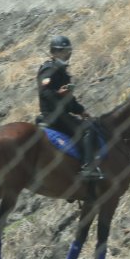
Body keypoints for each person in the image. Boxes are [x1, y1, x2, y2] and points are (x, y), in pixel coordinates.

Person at [37, 34, 102, 180]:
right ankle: (88, 167)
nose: (67, 54)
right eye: (64, 51)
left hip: (62, 115)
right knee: (88, 130)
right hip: (54, 116)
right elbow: (45, 93)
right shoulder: (48, 69)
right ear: (55, 52)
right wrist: (58, 93)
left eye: (68, 51)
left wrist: (81, 110)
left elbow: (69, 99)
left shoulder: (62, 70)